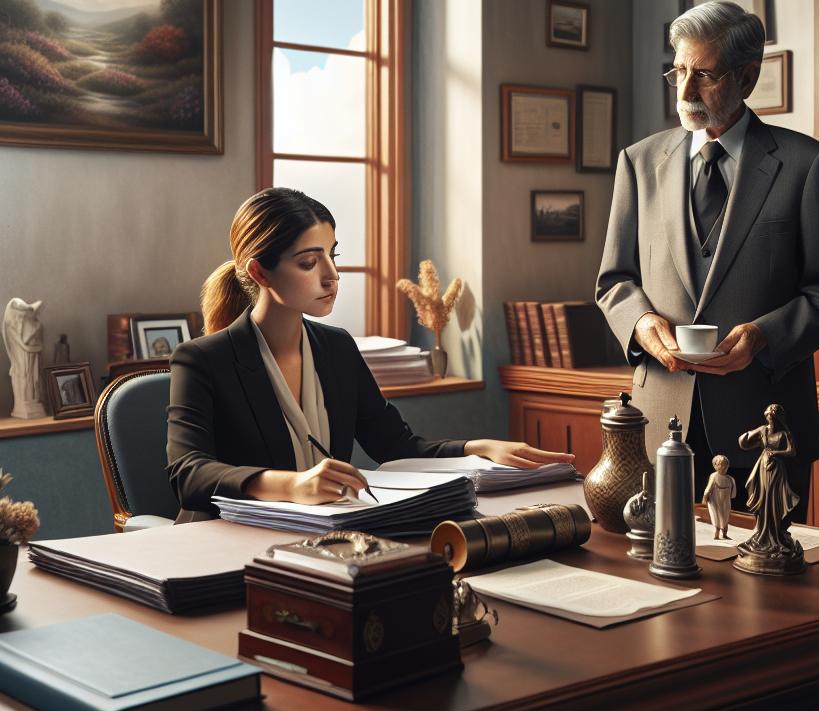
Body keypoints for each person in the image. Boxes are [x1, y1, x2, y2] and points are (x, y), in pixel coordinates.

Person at [596, 1, 819, 524]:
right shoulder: (639, 162)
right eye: (679, 71)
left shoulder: (804, 165)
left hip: (767, 428)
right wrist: (643, 324)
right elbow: (615, 281)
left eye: (705, 75)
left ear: (747, 76)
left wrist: (761, 337)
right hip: (655, 426)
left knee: (770, 598)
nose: (686, 91)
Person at [167, 187, 573, 522]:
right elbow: (189, 473)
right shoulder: (202, 359)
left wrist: (477, 449)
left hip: (328, 534)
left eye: (332, 254)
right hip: (232, 537)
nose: (332, 275)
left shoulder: (337, 347)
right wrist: (292, 484)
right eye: (309, 261)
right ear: (260, 272)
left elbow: (396, 446)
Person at [738, 404, 799, 550]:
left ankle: (775, 532)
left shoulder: (784, 434)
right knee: (763, 496)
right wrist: (747, 437)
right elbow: (744, 443)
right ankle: (762, 531)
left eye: (773, 418)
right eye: (769, 417)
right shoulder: (762, 430)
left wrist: (776, 453)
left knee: (774, 497)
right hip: (763, 467)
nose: (771, 421)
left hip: (776, 469)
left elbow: (791, 452)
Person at [701, 454, 736, 540]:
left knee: (725, 518)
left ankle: (724, 534)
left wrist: (731, 496)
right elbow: (708, 488)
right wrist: (705, 497)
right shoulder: (714, 476)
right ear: (715, 465)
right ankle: (716, 534)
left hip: (725, 502)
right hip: (715, 501)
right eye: (721, 464)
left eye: (725, 464)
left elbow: (733, 491)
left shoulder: (730, 479)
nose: (724, 467)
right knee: (716, 517)